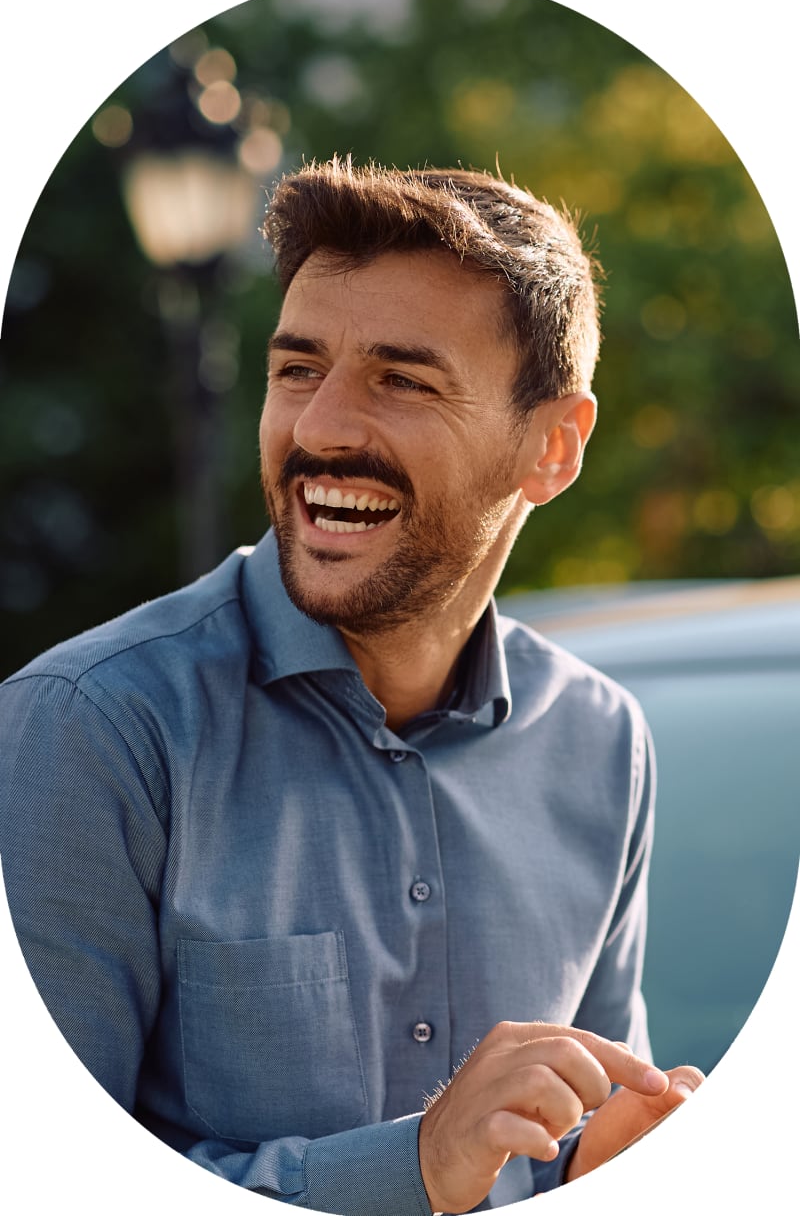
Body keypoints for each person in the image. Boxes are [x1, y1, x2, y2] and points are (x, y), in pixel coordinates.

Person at [0, 158, 702, 1215]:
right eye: (296, 369)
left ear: (551, 446)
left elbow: (571, 1137)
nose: (320, 429)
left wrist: (607, 1166)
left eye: (401, 380)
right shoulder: (90, 728)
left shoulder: (603, 744)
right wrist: (414, 1164)